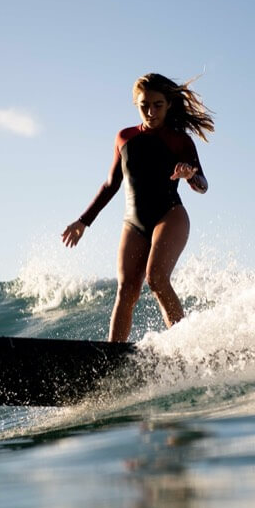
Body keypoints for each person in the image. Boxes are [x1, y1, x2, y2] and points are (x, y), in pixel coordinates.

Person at [62, 73, 214, 342]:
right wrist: (83, 221)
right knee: (126, 290)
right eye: (144, 105)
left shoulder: (179, 140)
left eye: (157, 105)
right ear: (136, 104)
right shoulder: (124, 138)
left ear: (168, 105)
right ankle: (114, 357)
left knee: (156, 278)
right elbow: (111, 184)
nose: (150, 111)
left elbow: (202, 185)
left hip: (170, 215)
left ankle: (184, 346)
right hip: (134, 221)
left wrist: (190, 174)